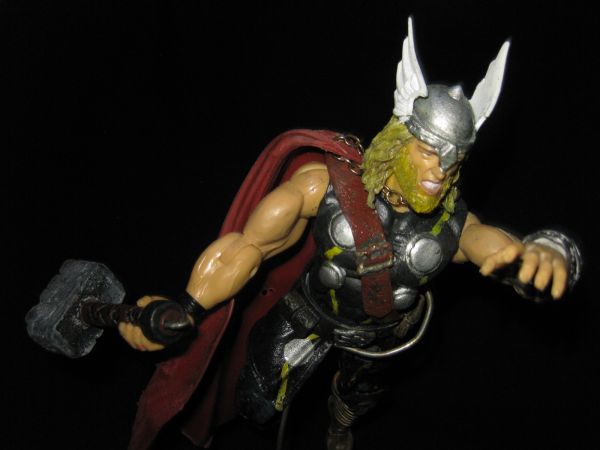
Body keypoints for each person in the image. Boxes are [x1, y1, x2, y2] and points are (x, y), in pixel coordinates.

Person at [119, 19, 582, 450]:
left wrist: (545, 250)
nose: (440, 172)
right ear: (399, 141)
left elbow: (496, 248)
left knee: (356, 402)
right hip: (308, 315)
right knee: (255, 404)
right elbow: (246, 248)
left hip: (381, 338)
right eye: (429, 152)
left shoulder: (450, 224)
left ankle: (340, 424)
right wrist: (185, 308)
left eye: (454, 160)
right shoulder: (326, 188)